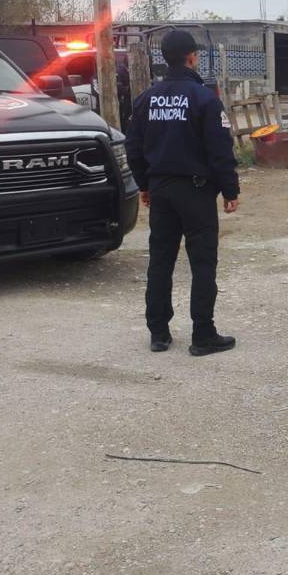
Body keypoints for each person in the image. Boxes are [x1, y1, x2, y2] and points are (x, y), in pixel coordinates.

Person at [125, 30, 240, 357]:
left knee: (161, 260)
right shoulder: (204, 99)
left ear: (165, 58)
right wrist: (230, 190)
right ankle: (203, 335)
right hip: (196, 191)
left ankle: (158, 334)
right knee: (202, 262)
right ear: (192, 57)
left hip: (161, 189)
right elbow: (220, 150)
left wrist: (144, 184)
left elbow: (133, 147)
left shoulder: (147, 98)